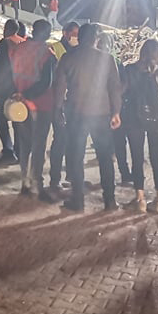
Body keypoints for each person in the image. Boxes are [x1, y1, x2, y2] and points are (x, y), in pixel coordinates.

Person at [54, 23, 124, 211]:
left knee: (76, 157)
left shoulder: (68, 58)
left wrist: (58, 111)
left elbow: (59, 88)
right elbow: (114, 88)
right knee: (105, 158)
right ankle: (110, 200)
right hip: (101, 114)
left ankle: (77, 201)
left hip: (76, 113)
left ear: (79, 37)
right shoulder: (107, 59)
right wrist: (116, 112)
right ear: (96, 39)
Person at [121, 39, 158, 213]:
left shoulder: (130, 70)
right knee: (156, 159)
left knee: (137, 158)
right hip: (157, 119)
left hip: (134, 118)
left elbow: (122, 91)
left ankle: (140, 199)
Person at [10, 19, 58, 202]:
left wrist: (19, 95)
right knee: (38, 147)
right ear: (46, 33)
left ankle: (25, 183)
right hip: (40, 104)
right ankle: (37, 184)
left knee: (24, 144)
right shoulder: (46, 53)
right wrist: (28, 94)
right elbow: (46, 82)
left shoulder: (19, 49)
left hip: (20, 105)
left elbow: (11, 74)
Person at [45, 22, 80, 192]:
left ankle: (71, 176)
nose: (75, 37)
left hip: (73, 104)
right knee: (60, 141)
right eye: (72, 34)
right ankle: (55, 179)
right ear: (65, 33)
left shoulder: (79, 51)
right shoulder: (54, 49)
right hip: (59, 101)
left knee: (74, 142)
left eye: (77, 34)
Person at [98, 32, 132, 184]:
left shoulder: (115, 62)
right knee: (115, 143)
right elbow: (125, 83)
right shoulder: (113, 61)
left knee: (116, 143)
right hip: (109, 108)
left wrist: (114, 93)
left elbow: (125, 83)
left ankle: (120, 174)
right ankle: (120, 175)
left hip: (105, 108)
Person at [0, 18, 24, 164]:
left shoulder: (5, 43)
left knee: (0, 118)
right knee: (18, 118)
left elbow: (0, 67)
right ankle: (19, 151)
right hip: (21, 86)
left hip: (6, 86)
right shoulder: (23, 42)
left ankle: (8, 151)